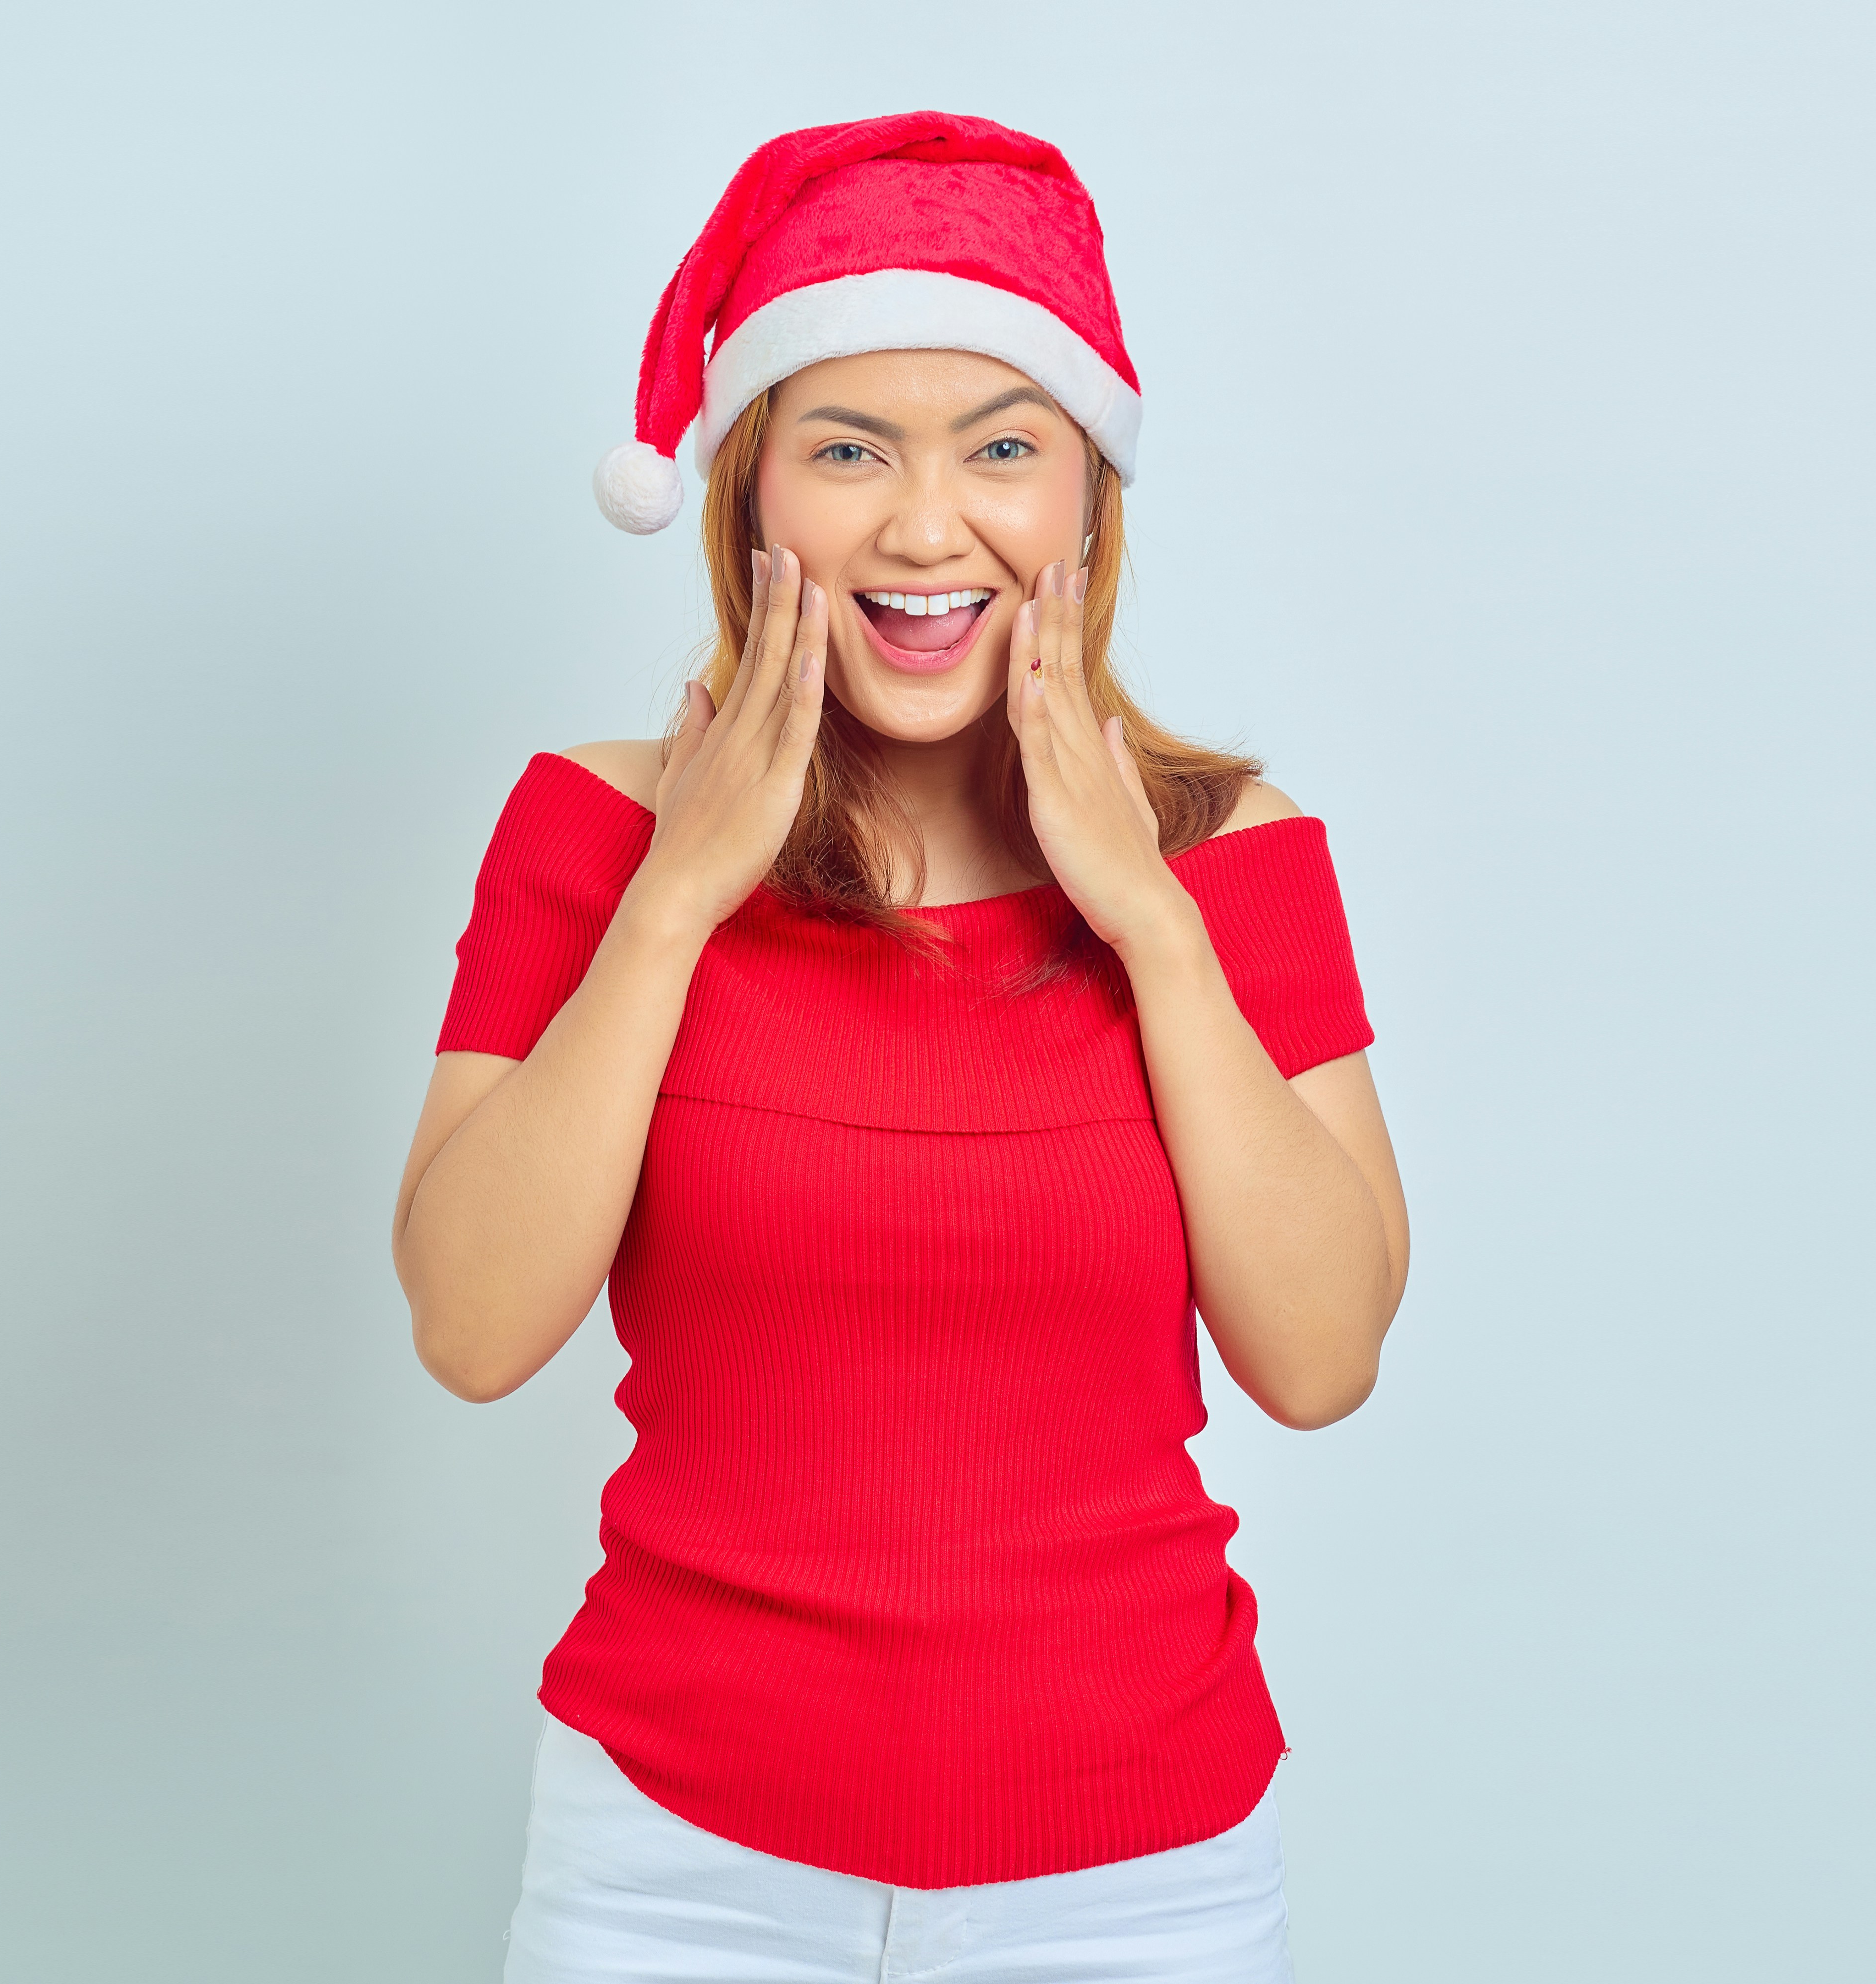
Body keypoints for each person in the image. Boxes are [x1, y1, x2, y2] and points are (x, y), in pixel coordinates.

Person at [392, 111, 1409, 1984]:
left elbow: (1323, 1355)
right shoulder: (597, 836)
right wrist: (677, 897)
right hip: (674, 1863)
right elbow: (471, 1323)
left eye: (1002, 451)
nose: (925, 527)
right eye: (848, 450)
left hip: (1140, 1870)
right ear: (748, 494)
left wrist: (1150, 923)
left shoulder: (1236, 857)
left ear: (1088, 502)